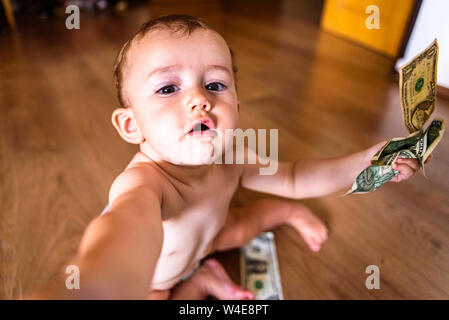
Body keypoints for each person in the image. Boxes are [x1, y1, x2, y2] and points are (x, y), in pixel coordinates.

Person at [30, 14, 431, 299]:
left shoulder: (234, 152)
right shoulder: (144, 184)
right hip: (154, 277)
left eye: (215, 84)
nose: (199, 100)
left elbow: (294, 177)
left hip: (212, 238)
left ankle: (284, 216)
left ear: (237, 107)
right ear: (131, 126)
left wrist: (369, 160)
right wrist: (96, 285)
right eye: (169, 89)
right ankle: (202, 281)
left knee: (242, 226)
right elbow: (126, 228)